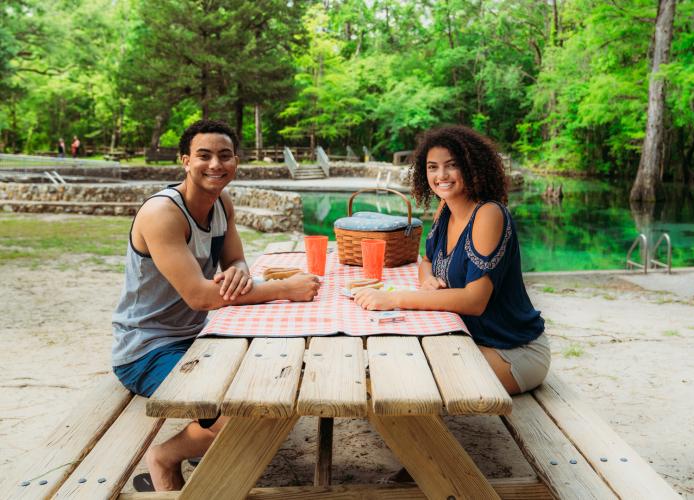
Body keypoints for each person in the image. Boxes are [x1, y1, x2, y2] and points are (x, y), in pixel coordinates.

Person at [111, 119, 320, 491]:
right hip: (146, 350)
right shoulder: (163, 214)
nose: (215, 165)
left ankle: (201, 444)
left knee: (278, 386)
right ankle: (164, 458)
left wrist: (238, 274)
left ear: (235, 162)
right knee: (246, 419)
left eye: (225, 156)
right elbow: (201, 296)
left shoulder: (222, 203)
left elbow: (236, 260)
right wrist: (285, 287)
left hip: (199, 337)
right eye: (203, 156)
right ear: (185, 161)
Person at [355, 125, 548, 393]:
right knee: (387, 358)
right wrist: (429, 280)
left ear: (471, 166)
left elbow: (474, 301)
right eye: (432, 167)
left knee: (403, 375)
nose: (441, 175)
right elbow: (425, 261)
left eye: (451, 165)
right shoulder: (445, 209)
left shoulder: (488, 214)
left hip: (512, 350)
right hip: (466, 337)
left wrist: (394, 298)